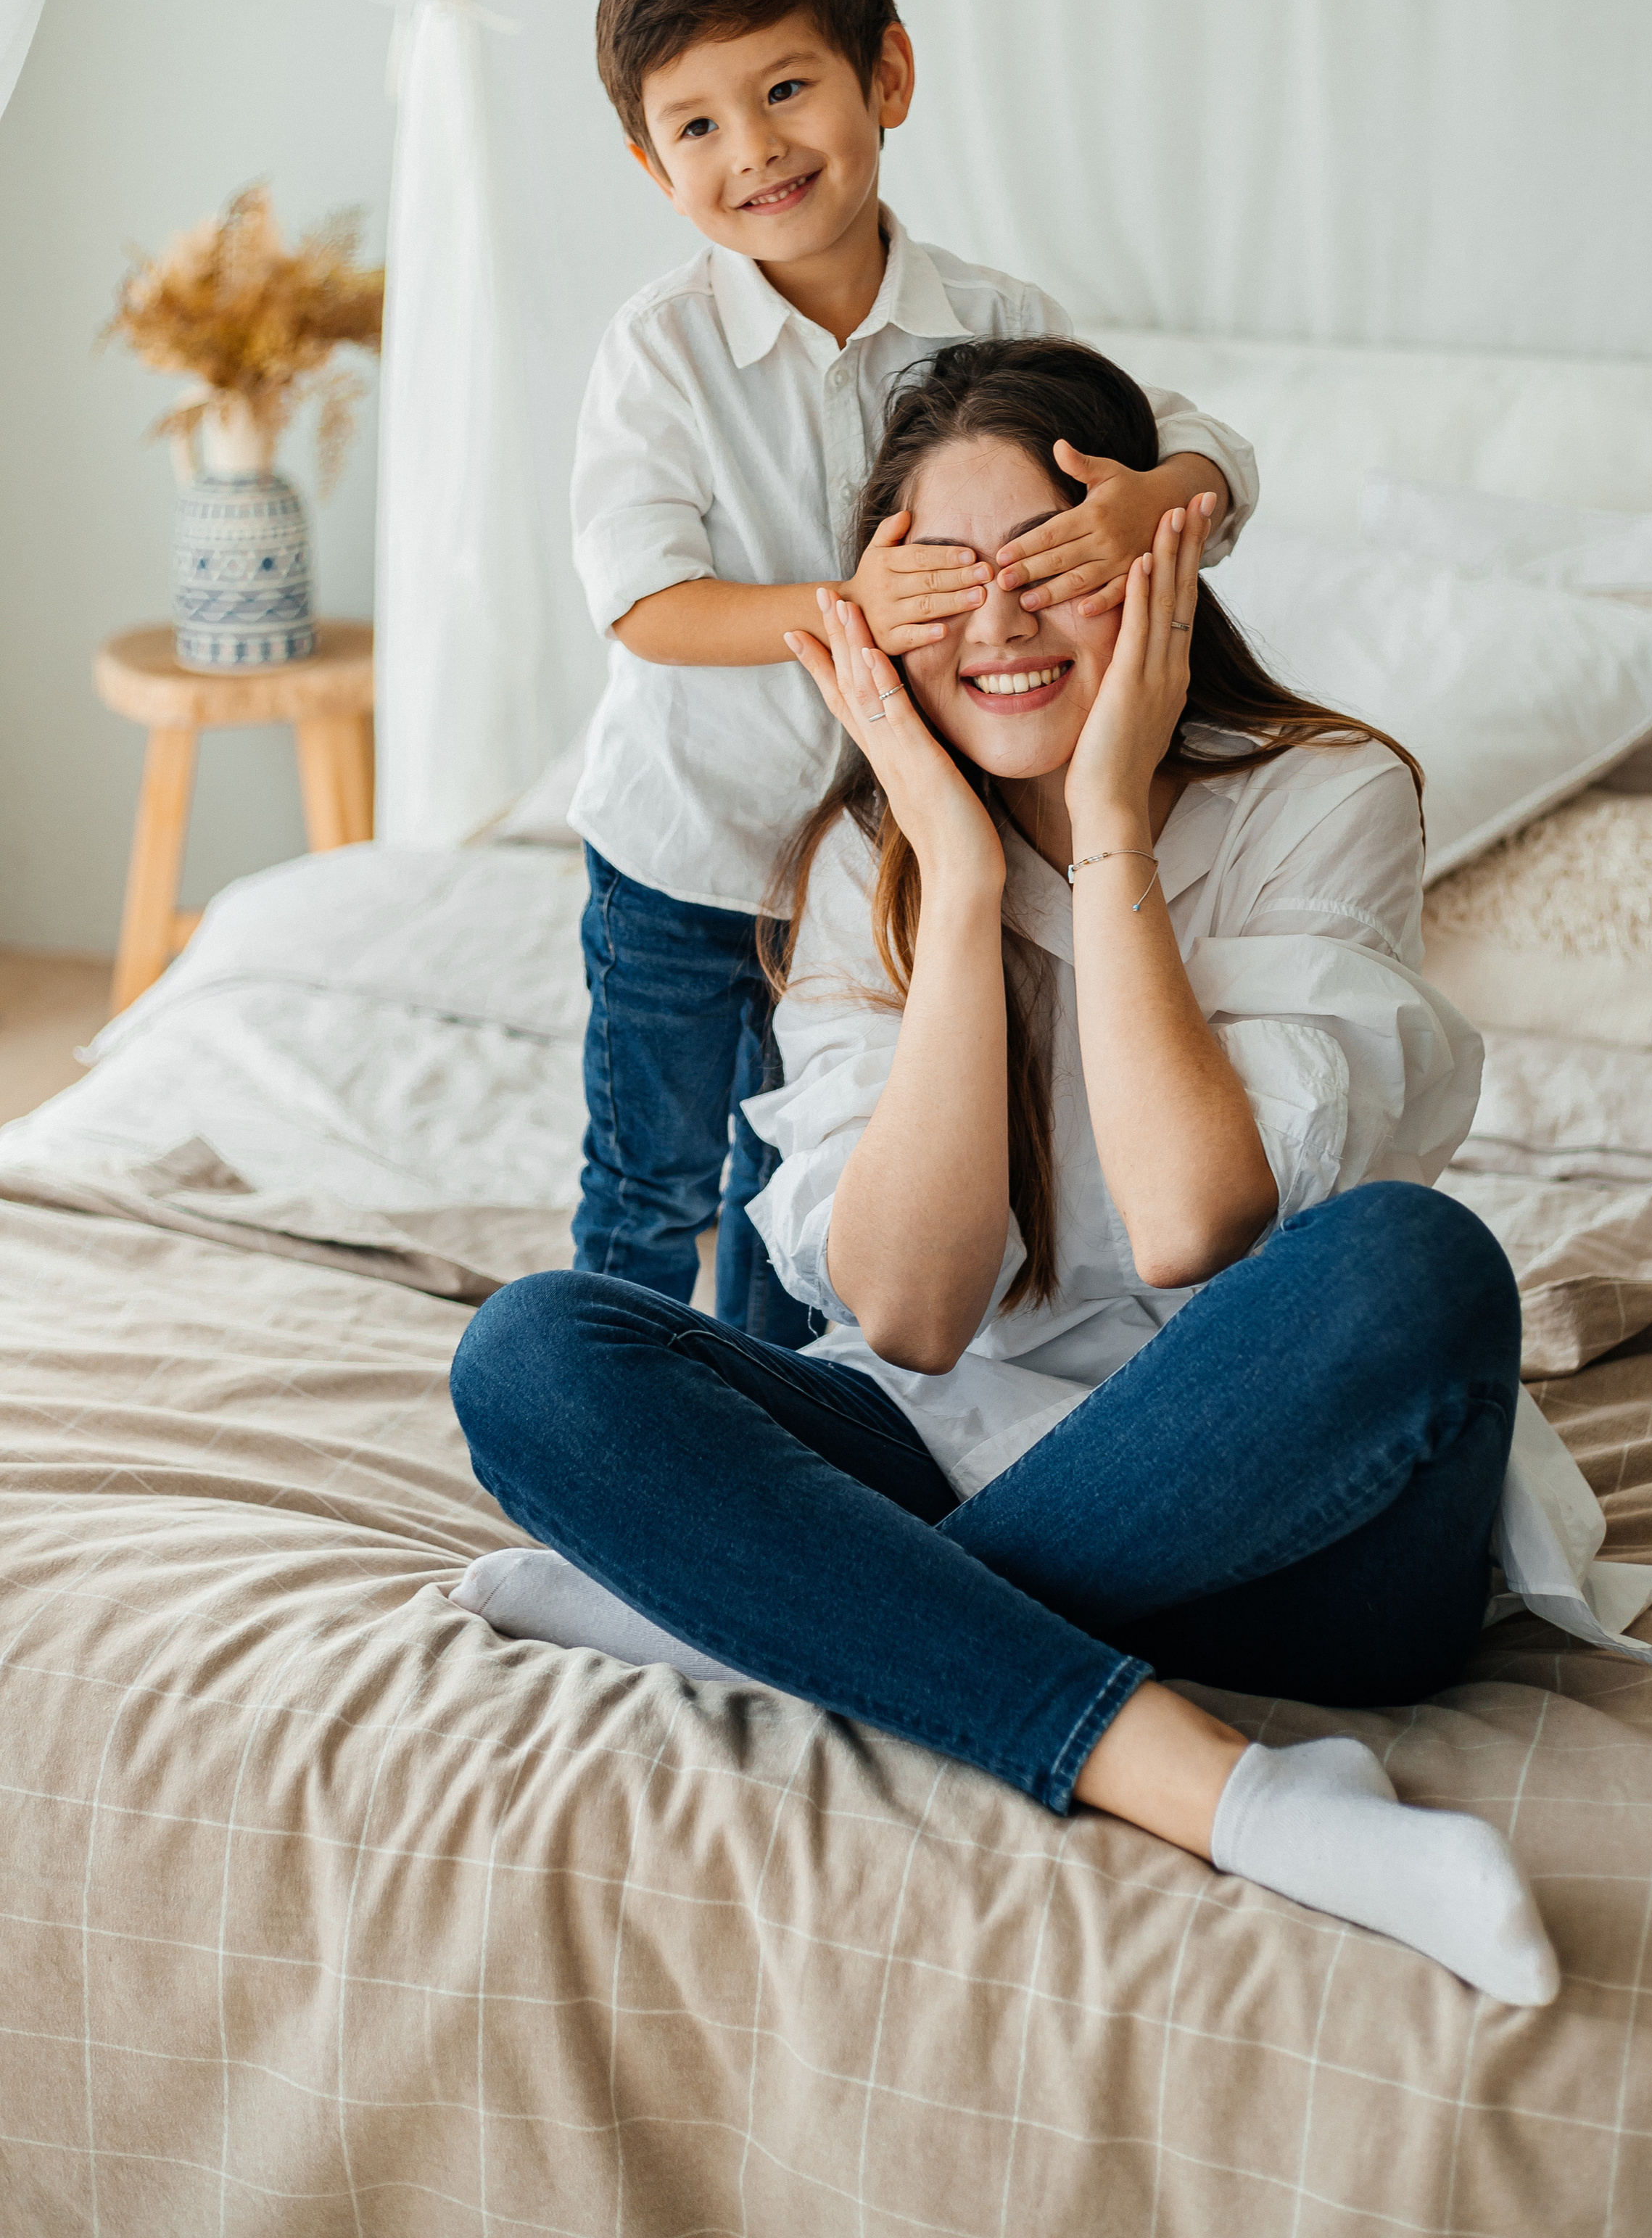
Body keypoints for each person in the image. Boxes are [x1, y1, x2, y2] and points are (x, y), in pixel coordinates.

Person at [453, 338, 1560, 2007]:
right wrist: (956, 877)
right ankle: (1242, 1799)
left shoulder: (1326, 798)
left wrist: (1107, 819)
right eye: (941, 583)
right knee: (532, 1355)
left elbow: (1200, 1224)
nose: (996, 624)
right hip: (938, 1435)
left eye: (1049, 567)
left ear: (1155, 561)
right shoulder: (861, 864)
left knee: (1416, 1262)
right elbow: (905, 1314)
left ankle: (771, 1611)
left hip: (1291, 1534)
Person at [568, 0, 1257, 1340]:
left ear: (885, 78)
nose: (751, 148)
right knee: (652, 1179)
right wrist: (847, 608)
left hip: (876, 866)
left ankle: (779, 1426)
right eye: (695, 126)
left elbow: (1215, 453)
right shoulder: (661, 351)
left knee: (805, 1166)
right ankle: (614, 1406)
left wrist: (1152, 494)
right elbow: (642, 602)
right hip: (685, 856)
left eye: (785, 89)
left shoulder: (994, 321)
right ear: (649, 164)